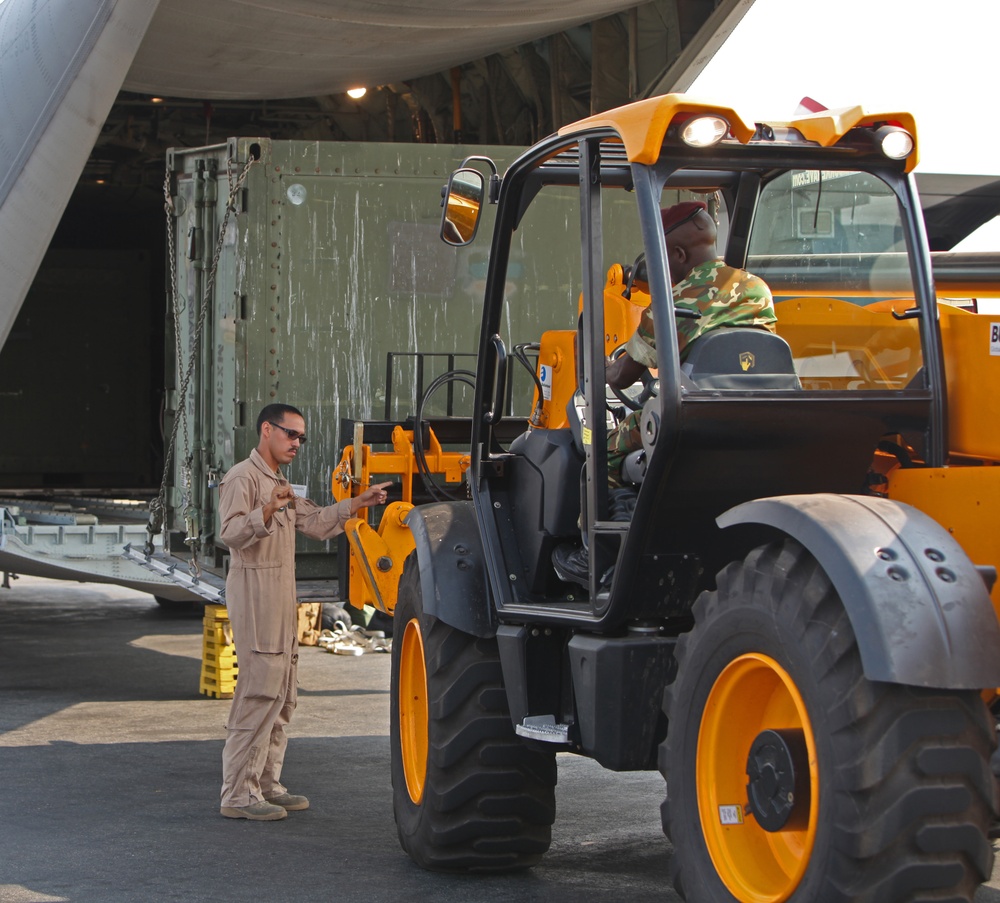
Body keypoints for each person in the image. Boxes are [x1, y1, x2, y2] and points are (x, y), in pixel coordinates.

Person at [552, 200, 776, 588]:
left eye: (662, 258)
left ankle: (600, 557)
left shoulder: (674, 303)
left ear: (676, 253)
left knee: (602, 452)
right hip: (757, 414)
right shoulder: (756, 288)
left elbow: (624, 377)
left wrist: (601, 367)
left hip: (695, 417)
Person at [218, 403, 390, 821]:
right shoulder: (243, 478)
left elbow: (314, 522)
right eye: (291, 434)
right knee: (259, 692)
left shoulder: (279, 481)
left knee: (282, 693)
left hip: (279, 598)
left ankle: (265, 784)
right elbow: (228, 534)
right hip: (257, 595)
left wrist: (358, 503)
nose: (297, 443)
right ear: (266, 430)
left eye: (301, 437)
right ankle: (238, 795)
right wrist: (267, 510)